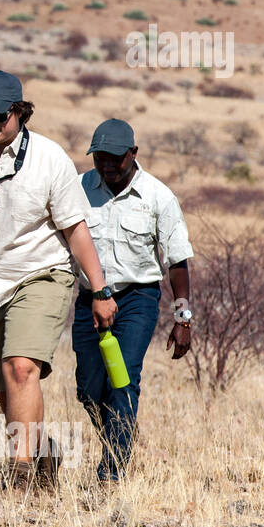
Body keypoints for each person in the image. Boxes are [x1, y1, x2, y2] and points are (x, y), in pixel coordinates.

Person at [0, 70, 116, 490]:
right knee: (7, 389)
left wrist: (100, 289)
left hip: (41, 273)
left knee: (20, 368)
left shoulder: (50, 158)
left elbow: (75, 229)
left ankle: (19, 474)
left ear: (19, 111)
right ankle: (42, 451)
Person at [74, 119, 194, 483]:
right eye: (100, 158)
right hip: (90, 298)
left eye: (115, 158)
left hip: (137, 298)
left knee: (123, 379)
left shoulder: (158, 196)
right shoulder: (78, 189)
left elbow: (177, 260)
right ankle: (120, 432)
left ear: (133, 154)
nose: (107, 166)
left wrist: (183, 317)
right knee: (89, 388)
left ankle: (112, 473)